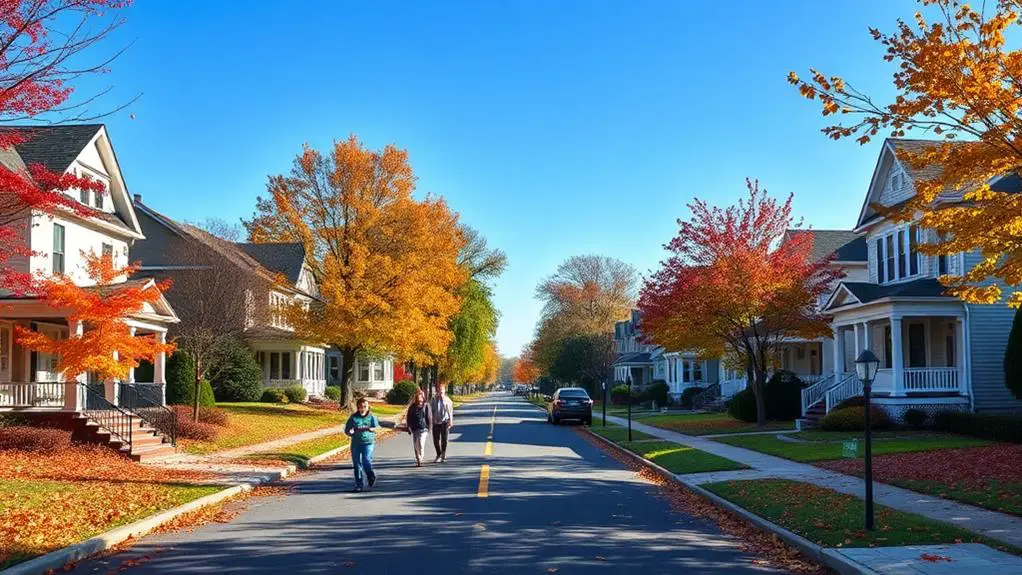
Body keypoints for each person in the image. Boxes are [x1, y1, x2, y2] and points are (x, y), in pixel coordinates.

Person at [344, 397, 380, 492]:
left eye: (365, 406)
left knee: (366, 460)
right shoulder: (353, 418)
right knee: (356, 464)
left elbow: (377, 427)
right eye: (360, 406)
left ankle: (370, 475)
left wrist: (373, 429)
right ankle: (359, 484)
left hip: (368, 442)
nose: (363, 408)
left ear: (368, 407)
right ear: (358, 407)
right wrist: (350, 432)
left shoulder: (372, 417)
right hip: (356, 443)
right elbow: (347, 430)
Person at [405, 388, 431, 467]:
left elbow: (429, 417)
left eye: (421, 399)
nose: (420, 401)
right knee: (415, 444)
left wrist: (429, 428)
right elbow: (409, 417)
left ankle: (420, 457)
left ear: (423, 399)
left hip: (423, 428)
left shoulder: (426, 406)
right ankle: (418, 459)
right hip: (415, 428)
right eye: (418, 400)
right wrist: (409, 426)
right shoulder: (412, 407)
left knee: (420, 443)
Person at [429, 383, 454, 463]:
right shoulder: (433, 399)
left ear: (444, 391)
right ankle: (438, 454)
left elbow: (450, 411)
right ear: (437, 391)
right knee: (436, 440)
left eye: (441, 391)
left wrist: (451, 421)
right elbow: (430, 410)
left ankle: (443, 455)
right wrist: (431, 420)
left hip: (445, 421)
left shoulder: (447, 400)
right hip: (436, 422)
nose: (440, 393)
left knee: (444, 440)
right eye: (439, 391)